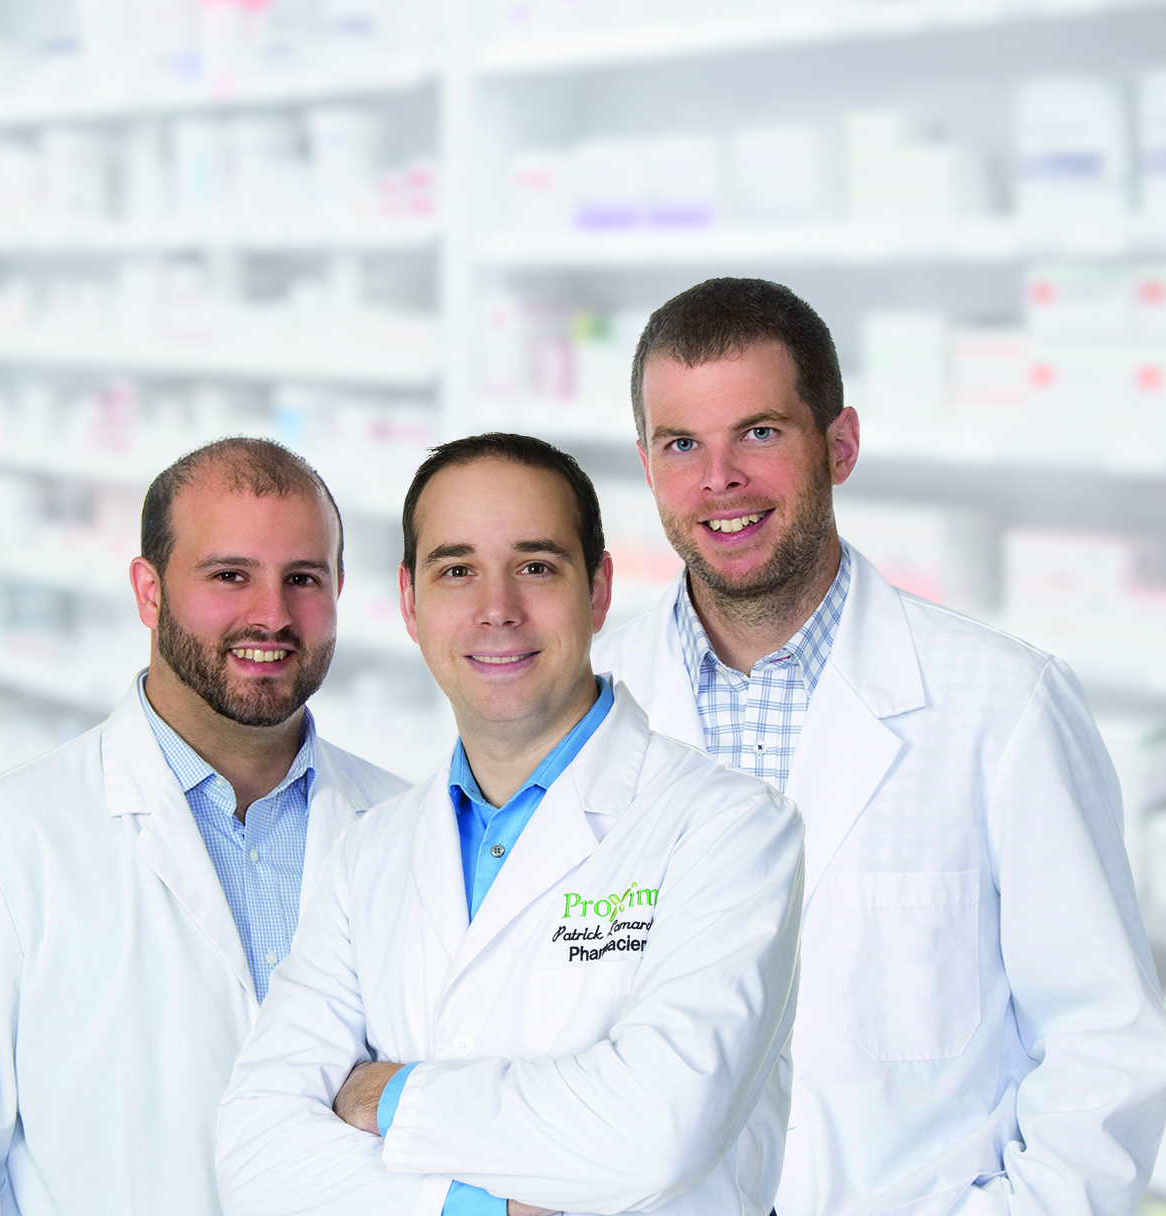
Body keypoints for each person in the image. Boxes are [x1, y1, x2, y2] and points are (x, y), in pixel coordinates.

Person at [591, 276, 1166, 1216]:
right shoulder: (586, 711)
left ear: (840, 445)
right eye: (681, 443)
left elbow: (1103, 1045)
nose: (718, 478)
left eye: (759, 433)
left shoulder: (1002, 706)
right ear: (648, 466)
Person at [216, 432, 804, 1216]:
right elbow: (255, 1157)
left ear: (598, 590)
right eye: (456, 570)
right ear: (410, 602)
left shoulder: (731, 829)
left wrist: (386, 1096)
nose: (496, 609)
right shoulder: (369, 851)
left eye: (535, 566)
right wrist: (476, 1209)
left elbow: (657, 1130)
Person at [0, 437, 409, 1216]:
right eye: (229, 575)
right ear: (148, 592)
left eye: (301, 578)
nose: (271, 614)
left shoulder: (410, 831)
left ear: (337, 589)